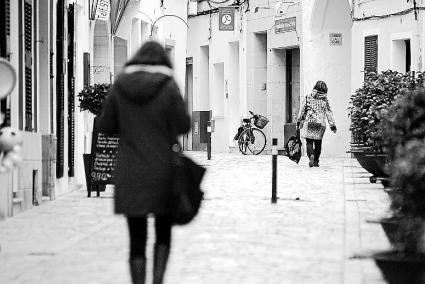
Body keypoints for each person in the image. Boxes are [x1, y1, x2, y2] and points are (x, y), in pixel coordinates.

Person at [98, 41, 191, 284]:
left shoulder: (119, 85)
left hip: (130, 170)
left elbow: (106, 126)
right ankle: (158, 281)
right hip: (163, 169)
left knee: (136, 235)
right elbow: (184, 125)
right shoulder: (169, 86)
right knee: (163, 230)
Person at [296, 80, 336, 167]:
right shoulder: (325, 100)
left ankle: (311, 155)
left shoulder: (308, 97)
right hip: (321, 123)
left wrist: (299, 121)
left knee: (309, 142)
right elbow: (329, 112)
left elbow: (302, 110)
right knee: (318, 143)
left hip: (310, 122)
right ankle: (316, 161)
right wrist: (332, 125)